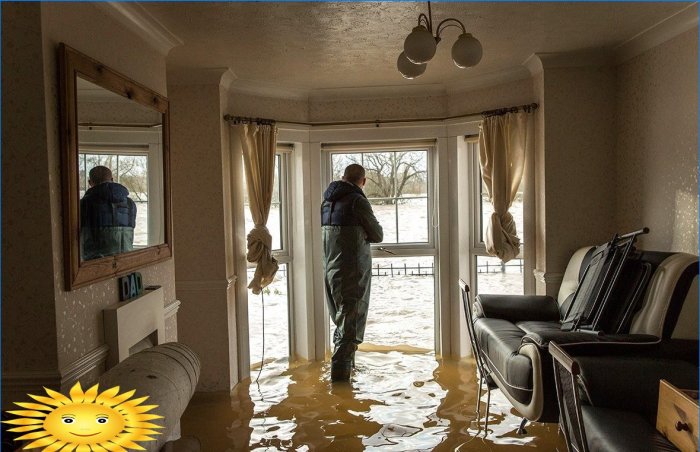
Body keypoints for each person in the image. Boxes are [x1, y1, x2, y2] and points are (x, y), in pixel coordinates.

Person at [321, 164, 383, 382]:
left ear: (342, 177)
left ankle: (348, 375)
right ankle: (340, 392)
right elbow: (377, 234)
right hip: (352, 273)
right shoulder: (358, 201)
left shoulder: (327, 202)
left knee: (342, 325)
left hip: (331, 272)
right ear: (363, 181)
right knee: (349, 331)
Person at [80, 165, 137, 260]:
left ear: (90, 182)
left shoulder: (84, 204)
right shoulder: (130, 204)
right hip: (127, 264)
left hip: (95, 267)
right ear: (112, 179)